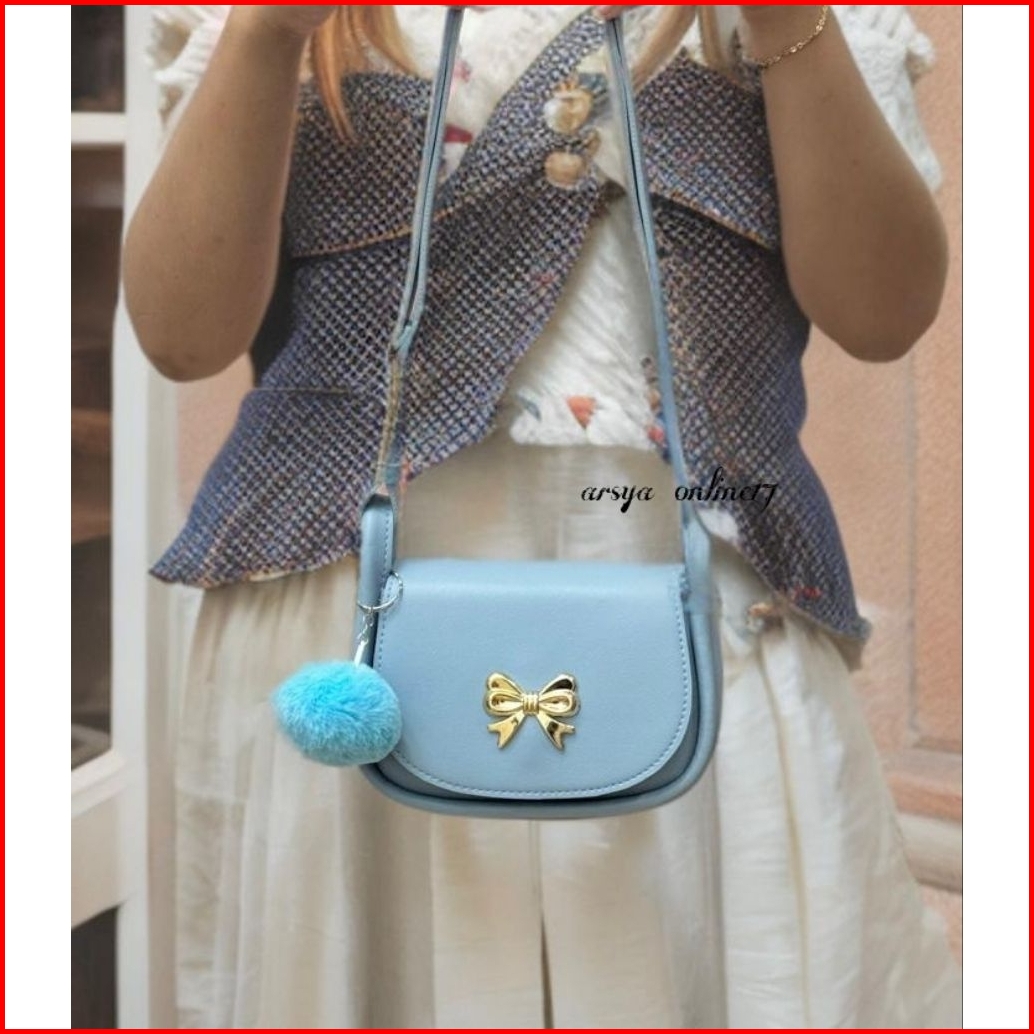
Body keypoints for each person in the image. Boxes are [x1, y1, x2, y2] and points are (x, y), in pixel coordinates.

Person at [125, 5, 961, 1028]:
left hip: (692, 610)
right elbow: (180, 334)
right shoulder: (284, 27)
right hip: (351, 625)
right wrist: (266, 34)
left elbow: (883, 314)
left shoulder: (778, 24)